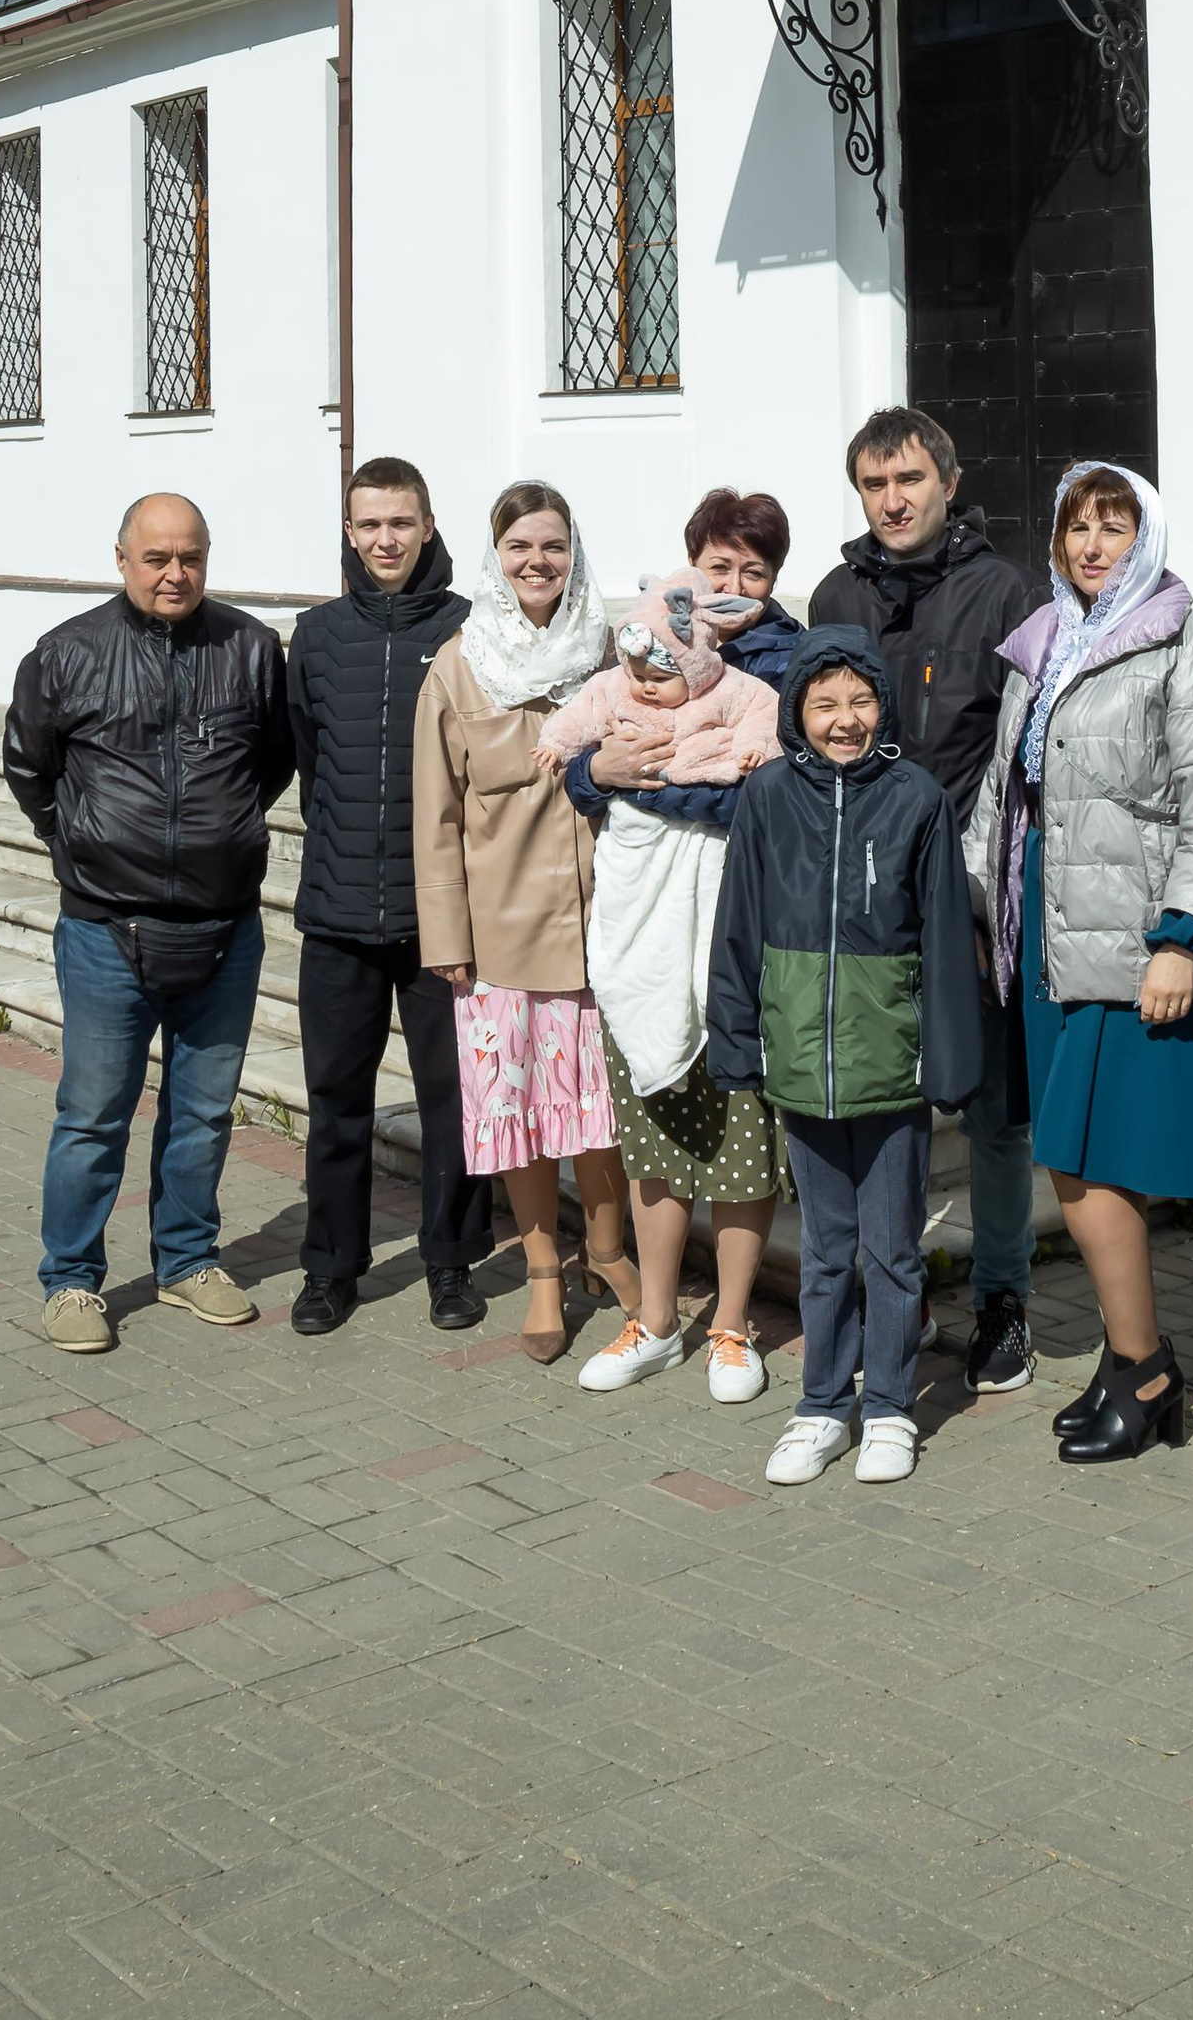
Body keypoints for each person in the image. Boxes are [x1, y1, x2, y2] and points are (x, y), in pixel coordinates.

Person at [966, 464, 1193, 1464]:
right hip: (1045, 923)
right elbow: (1005, 795)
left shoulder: (1187, 641)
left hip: (1130, 931)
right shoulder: (1043, 643)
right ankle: (1136, 1359)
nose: (1092, 545)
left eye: (1114, 525)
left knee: (1096, 1164)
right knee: (1073, 1161)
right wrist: (974, 908)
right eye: (1076, 528)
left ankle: (1145, 1367)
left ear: (1149, 535)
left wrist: (1184, 937)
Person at [2, 492, 290, 1350]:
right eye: (157, 557)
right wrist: (85, 842)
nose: (176, 573)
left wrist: (220, 838)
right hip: (105, 932)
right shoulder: (66, 654)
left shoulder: (250, 649)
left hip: (224, 929)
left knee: (203, 1111)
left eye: (191, 557)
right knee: (93, 1113)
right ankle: (71, 1280)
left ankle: (187, 1260)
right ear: (121, 559)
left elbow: (271, 762)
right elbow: (29, 767)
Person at [709, 627, 983, 1485]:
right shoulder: (767, 799)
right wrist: (736, 1037)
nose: (844, 720)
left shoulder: (916, 799)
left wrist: (948, 1056)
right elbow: (738, 926)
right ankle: (822, 1405)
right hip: (800, 1061)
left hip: (889, 1065)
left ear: (882, 705)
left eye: (859, 701)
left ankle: (893, 1404)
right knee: (826, 1251)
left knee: (893, 1251)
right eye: (824, 704)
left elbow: (943, 937)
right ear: (796, 710)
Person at [807, 408, 1039, 1390]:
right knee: (871, 1109)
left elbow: (1025, 750)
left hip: (970, 902)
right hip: (856, 904)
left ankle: (1002, 1301)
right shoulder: (834, 591)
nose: (892, 500)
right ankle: (884, 1290)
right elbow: (808, 730)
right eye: (874, 484)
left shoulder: (1004, 594)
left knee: (989, 1113)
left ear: (947, 481)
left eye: (907, 479)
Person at [543, 576, 786, 1404]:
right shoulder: (627, 667)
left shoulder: (767, 672)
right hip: (641, 918)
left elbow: (777, 752)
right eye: (717, 564)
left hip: (724, 923)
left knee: (740, 1137)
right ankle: (654, 1321)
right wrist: (590, 768)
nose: (734, 582)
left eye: (751, 567)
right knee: (653, 1139)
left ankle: (731, 1323)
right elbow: (578, 749)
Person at [411, 482, 639, 1363]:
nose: (537, 562)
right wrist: (448, 942)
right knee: (521, 1117)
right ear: (495, 558)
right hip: (500, 938)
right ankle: (545, 1268)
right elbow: (435, 816)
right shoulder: (459, 665)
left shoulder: (615, 655)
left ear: (573, 554)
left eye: (553, 546)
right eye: (520, 548)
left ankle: (608, 1252)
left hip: (603, 925)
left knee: (602, 1112)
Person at [284, 454, 495, 1340]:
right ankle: (332, 1268)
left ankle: (452, 1262)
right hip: (338, 913)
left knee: (453, 1098)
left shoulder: (467, 633)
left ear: (428, 527)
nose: (385, 539)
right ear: (348, 531)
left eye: (400, 523)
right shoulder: (316, 636)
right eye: (369, 524)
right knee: (337, 1100)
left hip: (439, 918)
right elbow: (306, 757)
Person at [681, 486, 800, 692]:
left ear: (774, 577)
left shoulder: (795, 662)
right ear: (692, 564)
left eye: (753, 573)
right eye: (719, 568)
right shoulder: (657, 632)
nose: (734, 589)